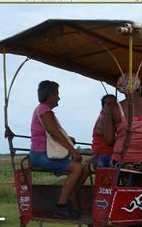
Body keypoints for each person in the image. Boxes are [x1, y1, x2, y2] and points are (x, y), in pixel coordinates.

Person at [28, 80, 88, 219]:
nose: (59, 98)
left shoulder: (43, 110)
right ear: (50, 95)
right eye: (57, 94)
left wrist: (68, 138)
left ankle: (69, 198)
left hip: (46, 154)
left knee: (84, 169)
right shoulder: (44, 110)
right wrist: (73, 151)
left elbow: (53, 133)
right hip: (40, 154)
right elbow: (54, 133)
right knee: (77, 168)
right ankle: (61, 206)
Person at [91, 94, 117, 168]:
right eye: (109, 104)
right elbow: (110, 140)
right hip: (103, 156)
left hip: (104, 155)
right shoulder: (104, 119)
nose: (112, 107)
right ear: (103, 107)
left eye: (114, 105)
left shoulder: (109, 119)